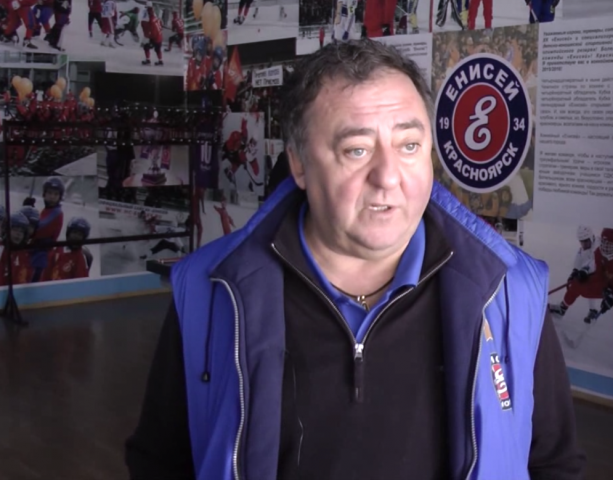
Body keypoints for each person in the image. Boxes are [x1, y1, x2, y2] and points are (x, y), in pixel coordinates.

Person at [126, 39, 585, 479]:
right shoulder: (211, 291)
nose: (388, 176)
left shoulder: (507, 289)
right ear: (299, 164)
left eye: (409, 145)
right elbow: (161, 462)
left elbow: (552, 462)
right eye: (357, 150)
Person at [550, 226, 600, 323]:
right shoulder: (583, 249)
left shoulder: (598, 246)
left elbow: (595, 261)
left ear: (591, 237)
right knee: (579, 284)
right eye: (582, 242)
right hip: (591, 273)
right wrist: (574, 272)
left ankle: (592, 310)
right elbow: (579, 259)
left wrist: (585, 270)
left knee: (587, 283)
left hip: (603, 274)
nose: (584, 244)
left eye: (586, 241)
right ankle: (563, 308)